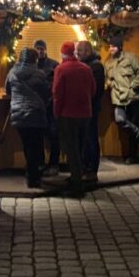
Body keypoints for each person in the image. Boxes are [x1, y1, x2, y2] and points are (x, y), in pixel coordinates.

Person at [52, 41, 95, 197]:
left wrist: (56, 114)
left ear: (63, 54)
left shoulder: (60, 69)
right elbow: (93, 89)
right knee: (80, 147)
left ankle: (77, 186)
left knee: (72, 149)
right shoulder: (86, 68)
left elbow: (57, 94)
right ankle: (77, 177)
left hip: (68, 114)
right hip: (85, 114)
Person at [5, 47, 50, 188]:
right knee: (36, 145)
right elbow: (46, 93)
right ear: (34, 59)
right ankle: (34, 176)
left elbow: (8, 90)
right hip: (35, 112)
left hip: (18, 113)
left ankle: (31, 174)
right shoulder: (39, 74)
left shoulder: (12, 73)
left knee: (27, 145)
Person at [105, 37, 139, 162]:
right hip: (118, 99)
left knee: (133, 126)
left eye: (113, 46)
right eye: (109, 46)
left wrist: (132, 88)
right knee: (120, 120)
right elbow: (106, 79)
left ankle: (132, 156)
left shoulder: (131, 58)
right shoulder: (108, 63)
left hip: (132, 98)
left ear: (120, 47)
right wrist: (109, 83)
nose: (111, 49)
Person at [76, 40, 106, 181]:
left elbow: (96, 90)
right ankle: (86, 167)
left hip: (91, 108)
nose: (76, 54)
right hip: (84, 108)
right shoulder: (87, 65)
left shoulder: (96, 67)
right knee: (85, 139)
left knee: (91, 138)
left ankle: (92, 169)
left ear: (87, 51)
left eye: (79, 51)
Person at [34, 39, 60, 175]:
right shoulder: (31, 65)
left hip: (51, 104)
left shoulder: (54, 65)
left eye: (41, 49)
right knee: (38, 136)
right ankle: (40, 164)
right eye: (37, 49)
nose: (40, 51)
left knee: (53, 134)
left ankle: (54, 163)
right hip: (37, 106)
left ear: (45, 50)